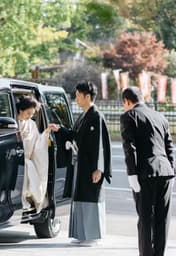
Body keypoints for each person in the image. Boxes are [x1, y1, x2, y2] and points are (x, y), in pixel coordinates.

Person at [120, 86, 175, 256]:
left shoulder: (129, 116)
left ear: (127, 101)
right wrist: (172, 170)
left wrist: (132, 175)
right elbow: (169, 147)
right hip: (166, 171)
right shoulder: (160, 116)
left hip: (145, 173)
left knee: (145, 220)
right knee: (162, 219)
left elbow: (130, 147)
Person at [61, 81, 112, 246]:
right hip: (81, 164)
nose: (75, 99)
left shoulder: (96, 116)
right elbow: (75, 135)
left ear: (87, 96)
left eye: (77, 95)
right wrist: (60, 130)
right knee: (81, 197)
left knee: (91, 198)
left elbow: (101, 145)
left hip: (91, 166)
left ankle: (93, 236)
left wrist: (99, 168)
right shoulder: (84, 115)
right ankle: (81, 234)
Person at [16, 96, 59, 213]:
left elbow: (37, 143)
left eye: (32, 114)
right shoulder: (14, 123)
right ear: (21, 110)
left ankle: (27, 201)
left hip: (26, 160)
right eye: (28, 113)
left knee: (32, 173)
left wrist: (46, 132)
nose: (30, 116)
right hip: (15, 160)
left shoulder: (32, 124)